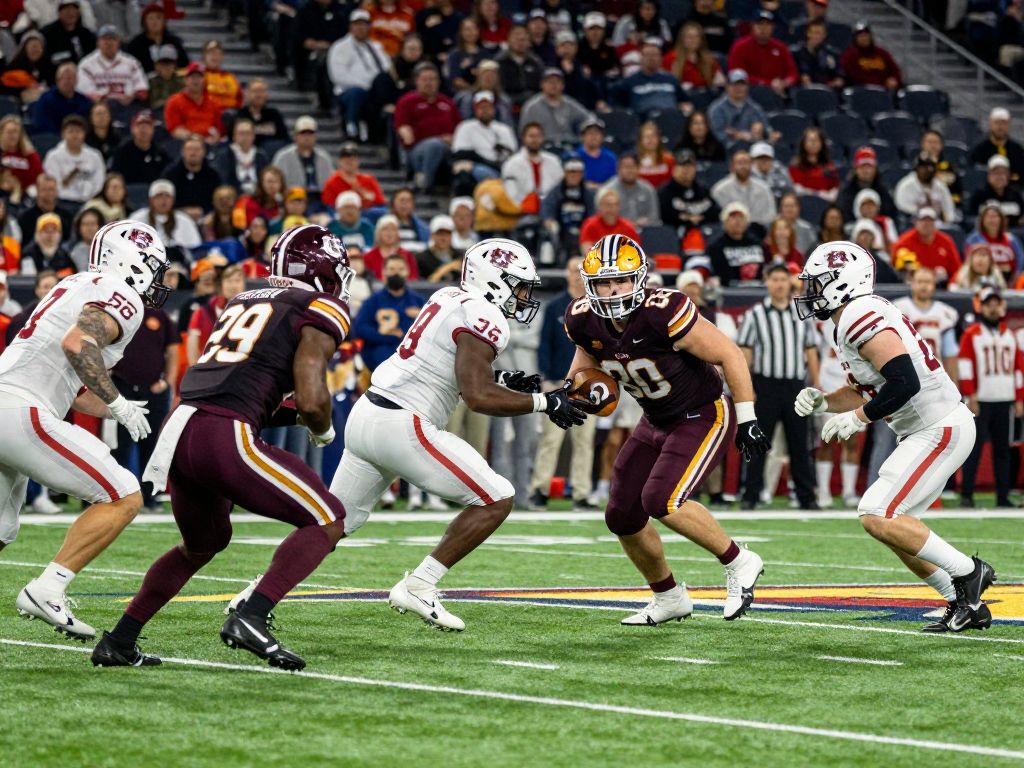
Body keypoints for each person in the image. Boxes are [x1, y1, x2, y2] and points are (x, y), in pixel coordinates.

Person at [92, 224, 353, 670]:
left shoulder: (243, 298)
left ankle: (119, 639)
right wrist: (323, 429)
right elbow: (312, 400)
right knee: (326, 520)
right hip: (222, 433)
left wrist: (290, 413)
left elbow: (240, 388)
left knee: (204, 542)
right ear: (324, 271)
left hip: (183, 427)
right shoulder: (318, 305)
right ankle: (252, 616)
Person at [324, 238, 583, 631]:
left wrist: (501, 379)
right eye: (519, 285)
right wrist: (547, 403)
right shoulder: (486, 317)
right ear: (495, 280)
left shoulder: (447, 296)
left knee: (332, 522)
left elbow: (448, 369)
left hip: (367, 414)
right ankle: (421, 584)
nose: (524, 296)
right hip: (403, 424)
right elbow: (477, 396)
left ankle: (259, 594)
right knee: (497, 497)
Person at [565, 233, 770, 624]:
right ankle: (669, 596)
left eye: (621, 280)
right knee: (621, 516)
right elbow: (584, 363)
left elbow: (729, 354)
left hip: (702, 413)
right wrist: (568, 394)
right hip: (654, 419)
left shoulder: (664, 309)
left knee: (663, 500)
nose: (612, 290)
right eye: (604, 282)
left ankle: (740, 561)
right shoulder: (582, 317)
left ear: (639, 279)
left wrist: (748, 418)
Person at [795, 240, 996, 633]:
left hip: (938, 424)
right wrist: (824, 403)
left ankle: (970, 572)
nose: (811, 292)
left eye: (819, 283)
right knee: (897, 527)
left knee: (877, 513)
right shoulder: (851, 317)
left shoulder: (858, 312)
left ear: (843, 282)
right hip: (927, 428)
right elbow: (872, 389)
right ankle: (963, 603)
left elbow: (905, 381)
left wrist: (858, 418)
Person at [0, 220, 168, 639]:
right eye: (154, 267)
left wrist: (119, 408)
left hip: (10, 399)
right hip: (22, 408)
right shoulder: (121, 293)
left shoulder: (77, 282)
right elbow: (78, 345)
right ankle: (49, 589)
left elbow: (75, 391)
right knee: (124, 494)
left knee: (1, 530)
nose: (158, 280)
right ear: (133, 263)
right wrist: (117, 402)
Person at [738, 260, 820, 509]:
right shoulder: (755, 314)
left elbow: (810, 350)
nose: (779, 284)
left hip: (795, 385)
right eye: (774, 279)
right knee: (758, 441)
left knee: (799, 444)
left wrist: (815, 384)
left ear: (789, 282)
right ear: (767, 283)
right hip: (766, 386)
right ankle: (750, 495)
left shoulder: (801, 312)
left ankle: (807, 497)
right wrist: (747, 387)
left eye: (783, 279)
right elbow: (745, 352)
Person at [958, 285, 1024, 508]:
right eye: (989, 304)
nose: (993, 308)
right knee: (974, 449)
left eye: (996, 303)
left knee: (1002, 451)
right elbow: (965, 366)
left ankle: (1002, 496)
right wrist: (971, 395)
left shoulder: (1009, 334)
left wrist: (1019, 397)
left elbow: (1018, 368)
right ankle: (967, 494)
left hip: (1004, 398)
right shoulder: (972, 334)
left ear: (1002, 306)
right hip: (982, 399)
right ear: (981, 307)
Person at [111, 304, 178, 513]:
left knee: (152, 445)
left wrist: (168, 382)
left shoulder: (160, 315)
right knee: (120, 444)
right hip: (121, 387)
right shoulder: (120, 312)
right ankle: (119, 494)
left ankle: (150, 496)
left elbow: (173, 351)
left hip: (153, 390)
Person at [352, 253, 425, 373]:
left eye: (401, 269)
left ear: (408, 272)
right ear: (383, 272)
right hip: (380, 356)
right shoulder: (372, 301)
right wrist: (388, 337)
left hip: (412, 357)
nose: (396, 273)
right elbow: (360, 328)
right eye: (391, 269)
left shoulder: (418, 301)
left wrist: (420, 318)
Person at [393, 63, 461, 192]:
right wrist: (439, 139)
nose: (429, 83)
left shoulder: (447, 102)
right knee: (435, 145)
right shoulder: (407, 101)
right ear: (416, 81)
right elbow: (404, 130)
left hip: (448, 148)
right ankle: (425, 183)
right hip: (417, 150)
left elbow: (460, 128)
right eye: (425, 79)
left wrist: (454, 139)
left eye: (433, 79)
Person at [328, 8, 390, 140]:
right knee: (357, 93)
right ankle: (352, 127)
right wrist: (366, 84)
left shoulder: (376, 47)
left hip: (374, 89)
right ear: (351, 26)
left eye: (364, 24)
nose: (361, 28)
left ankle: (378, 132)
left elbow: (386, 67)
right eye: (357, 24)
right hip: (349, 91)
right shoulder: (340, 47)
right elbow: (338, 76)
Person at [452, 91, 518, 187]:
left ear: (494, 109)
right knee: (471, 169)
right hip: (477, 168)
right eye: (481, 108)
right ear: (475, 110)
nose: (484, 110)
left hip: (502, 168)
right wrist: (487, 162)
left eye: (488, 107)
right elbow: (461, 154)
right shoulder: (465, 127)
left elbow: (513, 154)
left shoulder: (504, 129)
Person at [611, 38, 689, 118]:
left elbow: (684, 100)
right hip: (643, 122)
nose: (651, 58)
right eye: (647, 55)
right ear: (641, 58)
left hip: (670, 119)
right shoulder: (630, 81)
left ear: (661, 58)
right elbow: (616, 102)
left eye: (655, 55)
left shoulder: (671, 79)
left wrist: (685, 106)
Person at [727, 10, 798, 95]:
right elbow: (736, 73)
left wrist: (785, 82)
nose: (763, 28)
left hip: (778, 91)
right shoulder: (740, 46)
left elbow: (792, 72)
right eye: (759, 24)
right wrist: (768, 83)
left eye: (767, 24)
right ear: (752, 26)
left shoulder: (780, 47)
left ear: (773, 27)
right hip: (750, 92)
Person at [129, 178, 202, 259]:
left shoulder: (185, 220)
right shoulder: (137, 219)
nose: (164, 200)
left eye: (167, 196)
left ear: (173, 200)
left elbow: (194, 249)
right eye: (159, 196)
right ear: (151, 200)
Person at [694, 202, 765, 286]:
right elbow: (721, 274)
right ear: (725, 222)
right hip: (730, 291)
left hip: (757, 289)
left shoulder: (757, 244)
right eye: (733, 217)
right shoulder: (716, 247)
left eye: (741, 217)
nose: (738, 221)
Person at [76, 25, 148, 105]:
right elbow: (83, 93)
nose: (109, 42)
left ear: (119, 43)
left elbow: (142, 90)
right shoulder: (86, 65)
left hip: (128, 106)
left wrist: (132, 97)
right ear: (98, 42)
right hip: (97, 108)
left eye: (112, 39)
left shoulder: (132, 63)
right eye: (104, 39)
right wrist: (104, 95)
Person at [519, 68, 592, 147]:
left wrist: (583, 132)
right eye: (549, 82)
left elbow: (590, 118)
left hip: (568, 146)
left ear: (563, 85)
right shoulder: (531, 107)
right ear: (542, 84)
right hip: (543, 147)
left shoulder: (570, 104)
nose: (553, 85)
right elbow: (523, 132)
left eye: (557, 82)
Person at [43, 114, 105, 203]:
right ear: (63, 134)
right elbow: (53, 185)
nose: (75, 135)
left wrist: (89, 197)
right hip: (61, 201)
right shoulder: (53, 156)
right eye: (71, 131)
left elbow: (99, 182)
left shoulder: (95, 156)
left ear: (84, 134)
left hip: (88, 202)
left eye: (78, 131)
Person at [711, 148, 777, 231]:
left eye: (746, 163)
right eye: (739, 163)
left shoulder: (763, 189)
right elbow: (719, 219)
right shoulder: (720, 190)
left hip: (759, 233)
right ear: (732, 166)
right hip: (729, 234)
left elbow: (770, 216)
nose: (743, 166)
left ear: (752, 165)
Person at [891, 208, 962, 284]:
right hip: (914, 283)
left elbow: (957, 268)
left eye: (930, 221)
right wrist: (908, 268)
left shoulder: (946, 241)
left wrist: (952, 283)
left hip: (941, 284)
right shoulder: (905, 241)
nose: (926, 224)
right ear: (916, 223)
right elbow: (894, 263)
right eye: (923, 220)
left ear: (936, 224)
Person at [659, 149, 718, 237]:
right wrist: (688, 219)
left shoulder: (703, 190)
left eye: (690, 166)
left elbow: (715, 212)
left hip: (703, 234)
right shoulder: (665, 192)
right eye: (682, 166)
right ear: (674, 168)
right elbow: (665, 216)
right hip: (674, 236)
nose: (686, 170)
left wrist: (695, 218)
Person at [271, 116, 334, 196]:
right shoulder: (282, 157)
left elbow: (330, 184)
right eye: (303, 133)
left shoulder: (324, 158)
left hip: (319, 200)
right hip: (291, 199)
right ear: (295, 136)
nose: (307, 137)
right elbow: (274, 182)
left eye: (310, 134)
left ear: (315, 137)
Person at [965, 200, 1024, 284]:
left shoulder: (1012, 240)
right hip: (980, 283)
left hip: (1011, 284)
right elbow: (968, 266)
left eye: (995, 216)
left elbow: (1020, 265)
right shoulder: (973, 240)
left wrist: (1013, 283)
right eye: (988, 216)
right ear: (982, 220)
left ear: (1002, 219)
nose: (992, 220)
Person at [707, 69, 771, 147]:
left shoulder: (755, 108)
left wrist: (762, 132)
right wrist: (735, 137)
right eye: (735, 84)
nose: (739, 88)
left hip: (752, 149)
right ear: (727, 87)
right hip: (725, 150)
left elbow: (768, 130)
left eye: (742, 84)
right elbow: (715, 133)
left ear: (748, 86)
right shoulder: (717, 109)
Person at [162, 136, 222, 218]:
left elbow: (217, 201)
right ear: (183, 152)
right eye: (189, 149)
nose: (193, 153)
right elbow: (163, 200)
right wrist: (182, 211)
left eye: (197, 149)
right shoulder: (170, 174)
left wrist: (205, 211)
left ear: (204, 152)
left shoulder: (213, 175)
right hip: (175, 217)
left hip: (206, 218)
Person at [163, 63, 223, 144]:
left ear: (204, 80)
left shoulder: (214, 102)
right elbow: (174, 130)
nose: (196, 80)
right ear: (185, 80)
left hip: (210, 144)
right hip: (184, 144)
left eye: (199, 77)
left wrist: (215, 138)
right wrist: (193, 137)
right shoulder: (174, 101)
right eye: (192, 77)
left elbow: (219, 129)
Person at [598, 152, 660, 227]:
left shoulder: (648, 189)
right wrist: (628, 224)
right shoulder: (607, 191)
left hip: (644, 232)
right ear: (618, 170)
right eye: (626, 167)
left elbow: (654, 217)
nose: (630, 171)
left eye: (633, 167)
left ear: (638, 168)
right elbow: (601, 219)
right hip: (616, 232)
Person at [108, 110, 169, 186]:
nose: (143, 130)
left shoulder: (160, 154)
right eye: (139, 126)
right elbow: (115, 178)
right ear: (132, 129)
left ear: (153, 130)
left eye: (147, 126)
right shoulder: (122, 152)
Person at [837, 147, 898, 221]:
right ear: (856, 169)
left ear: (875, 169)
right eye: (862, 166)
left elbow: (890, 215)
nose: (866, 171)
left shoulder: (883, 192)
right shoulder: (846, 192)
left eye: (869, 167)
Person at [126, 3, 189, 74]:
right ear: (144, 22)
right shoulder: (135, 44)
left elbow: (185, 65)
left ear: (164, 21)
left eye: (158, 18)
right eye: (150, 18)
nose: (154, 22)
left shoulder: (174, 42)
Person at [894, 153, 957, 224]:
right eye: (924, 166)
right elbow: (901, 208)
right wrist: (921, 209)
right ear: (916, 168)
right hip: (912, 223)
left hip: (938, 225)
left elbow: (949, 210)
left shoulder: (940, 186)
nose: (929, 169)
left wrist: (945, 218)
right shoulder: (906, 185)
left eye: (931, 166)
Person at [33, 62, 94, 135]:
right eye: (64, 78)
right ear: (57, 80)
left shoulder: (84, 101)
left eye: (70, 78)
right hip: (54, 140)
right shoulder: (46, 100)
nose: (67, 82)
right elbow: (42, 125)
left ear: (76, 80)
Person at [839, 21, 902, 89]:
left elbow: (895, 70)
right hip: (859, 90)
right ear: (855, 38)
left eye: (866, 35)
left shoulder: (882, 53)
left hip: (882, 91)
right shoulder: (849, 55)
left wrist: (894, 79)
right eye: (860, 36)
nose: (864, 38)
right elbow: (848, 74)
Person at [495, 23, 544, 111]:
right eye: (516, 38)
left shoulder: (536, 62)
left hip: (531, 98)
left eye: (523, 39)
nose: (520, 41)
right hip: (508, 97)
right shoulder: (500, 61)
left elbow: (541, 85)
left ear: (529, 42)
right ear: (509, 40)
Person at [966, 155, 1024, 227]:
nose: (999, 177)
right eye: (996, 173)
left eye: (1003, 173)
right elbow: (970, 219)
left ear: (1008, 176)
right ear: (989, 175)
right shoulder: (979, 196)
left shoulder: (1016, 195)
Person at [969, 106, 1024, 181]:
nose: (1000, 127)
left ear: (1009, 124)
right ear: (990, 124)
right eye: (997, 123)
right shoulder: (979, 149)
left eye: (1004, 123)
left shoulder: (1017, 150)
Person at [665, 21, 725, 89]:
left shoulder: (708, 59)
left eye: (696, 37)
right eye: (689, 37)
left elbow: (720, 79)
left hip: (705, 95)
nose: (693, 40)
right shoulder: (671, 58)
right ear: (682, 39)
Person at [578, 188, 640, 252]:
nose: (612, 209)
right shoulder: (590, 225)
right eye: (608, 205)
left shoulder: (628, 227)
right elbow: (586, 250)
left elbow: (635, 252)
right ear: (600, 206)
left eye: (615, 205)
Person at [40, 0, 96, 69]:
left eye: (73, 9)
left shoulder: (87, 34)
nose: (70, 13)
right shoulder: (47, 33)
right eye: (67, 9)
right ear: (59, 12)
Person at [17, 174, 73, 242]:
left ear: (57, 192)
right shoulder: (25, 217)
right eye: (44, 189)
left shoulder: (67, 216)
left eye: (52, 189)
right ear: (37, 191)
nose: (49, 193)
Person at [789, 127, 839, 201]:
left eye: (816, 140)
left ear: (822, 143)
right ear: (803, 143)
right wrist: (814, 194)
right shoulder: (795, 166)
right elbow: (795, 189)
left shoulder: (830, 167)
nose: (813, 143)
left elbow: (834, 190)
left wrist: (821, 196)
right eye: (809, 140)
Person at [236, 79, 289, 148]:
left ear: (266, 95)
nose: (258, 95)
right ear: (248, 94)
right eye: (255, 91)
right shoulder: (240, 115)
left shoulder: (274, 115)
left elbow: (284, 139)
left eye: (261, 91)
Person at [792, 18, 843, 87]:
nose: (815, 36)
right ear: (807, 33)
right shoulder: (796, 52)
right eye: (813, 32)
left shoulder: (832, 53)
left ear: (825, 35)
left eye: (819, 33)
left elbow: (839, 72)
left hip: (826, 88)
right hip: (801, 88)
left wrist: (838, 80)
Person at [363, 214, 418, 279]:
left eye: (393, 229)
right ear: (378, 233)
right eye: (385, 229)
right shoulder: (368, 257)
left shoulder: (407, 255)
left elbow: (413, 278)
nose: (389, 233)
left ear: (398, 233)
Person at [0, 116, 44, 194]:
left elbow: (39, 177)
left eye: (15, 132)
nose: (12, 136)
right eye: (9, 132)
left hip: (27, 195)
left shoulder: (30, 155)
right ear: (1, 134)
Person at [574, 118, 617, 187]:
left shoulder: (610, 158)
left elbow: (615, 181)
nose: (594, 137)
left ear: (603, 137)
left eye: (597, 133)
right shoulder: (574, 157)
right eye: (590, 133)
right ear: (582, 137)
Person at [201, 39, 242, 111]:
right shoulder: (198, 76)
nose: (215, 56)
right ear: (204, 55)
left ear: (222, 57)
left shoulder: (230, 78)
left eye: (219, 53)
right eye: (211, 53)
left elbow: (238, 100)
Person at [146, 44, 183, 110]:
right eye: (163, 63)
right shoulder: (151, 81)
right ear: (157, 66)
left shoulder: (182, 81)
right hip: (156, 113)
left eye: (170, 63)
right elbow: (153, 103)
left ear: (175, 65)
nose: (167, 67)